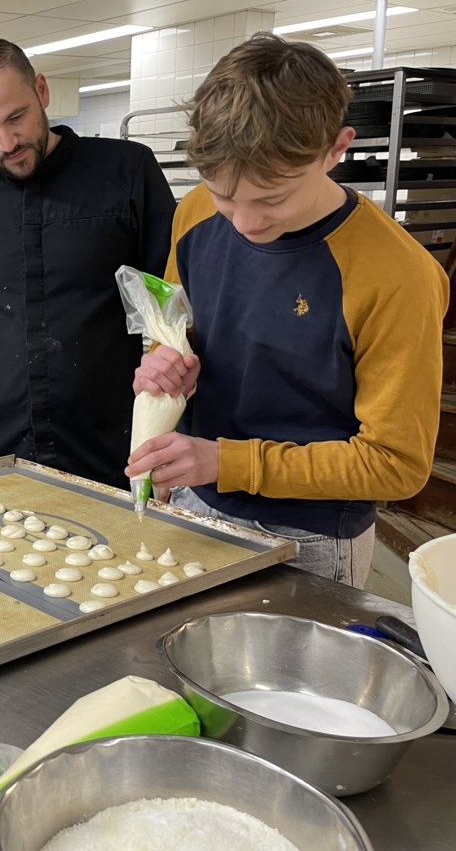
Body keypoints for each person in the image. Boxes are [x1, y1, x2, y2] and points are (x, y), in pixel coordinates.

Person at [125, 33, 448, 587]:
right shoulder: (197, 212)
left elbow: (397, 464)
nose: (245, 222)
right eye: (225, 196)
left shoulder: (398, 275)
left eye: (273, 198)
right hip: (195, 498)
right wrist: (164, 366)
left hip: (309, 535)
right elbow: (173, 327)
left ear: (336, 149)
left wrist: (228, 462)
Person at [0, 39, 176, 488]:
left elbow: (173, 308)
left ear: (41, 90)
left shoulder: (126, 171)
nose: (7, 143)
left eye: (15, 118)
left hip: (109, 443)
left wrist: (168, 428)